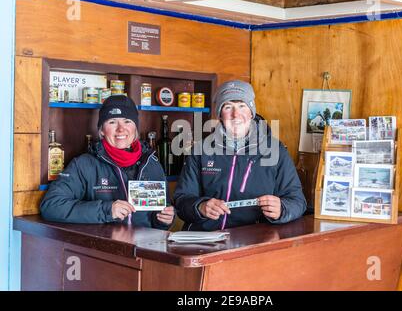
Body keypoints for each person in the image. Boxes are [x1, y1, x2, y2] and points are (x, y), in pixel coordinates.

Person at [173, 80, 307, 231]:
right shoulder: (200, 150)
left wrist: (282, 209)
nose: (235, 114)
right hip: (206, 241)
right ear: (220, 115)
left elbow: (298, 202)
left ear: (251, 112)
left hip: (255, 242)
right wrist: (200, 207)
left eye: (242, 106)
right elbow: (181, 199)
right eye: (228, 107)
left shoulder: (276, 150)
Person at [40, 95, 175, 228]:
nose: (121, 128)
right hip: (102, 247)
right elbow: (51, 206)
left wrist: (165, 219)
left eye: (127, 121)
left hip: (146, 247)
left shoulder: (151, 162)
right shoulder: (84, 165)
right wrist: (107, 210)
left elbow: (161, 216)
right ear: (102, 130)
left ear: (135, 128)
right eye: (112, 122)